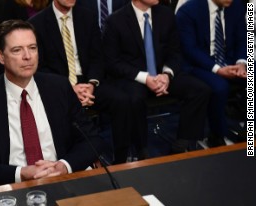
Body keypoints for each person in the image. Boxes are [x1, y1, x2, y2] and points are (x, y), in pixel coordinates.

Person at [0, 19, 104, 187]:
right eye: (17, 50)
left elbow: (92, 139)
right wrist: (20, 173)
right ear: (1, 57)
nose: (27, 56)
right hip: (12, 188)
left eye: (32, 48)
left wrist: (64, 166)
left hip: (62, 180)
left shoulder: (59, 87)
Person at [102, 0, 211, 157]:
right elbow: (112, 62)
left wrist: (167, 74)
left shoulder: (166, 14)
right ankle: (141, 149)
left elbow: (176, 52)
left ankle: (184, 142)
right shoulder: (115, 20)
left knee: (200, 90)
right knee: (133, 99)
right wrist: (145, 78)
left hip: (162, 74)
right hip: (134, 77)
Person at [28, 0, 133, 164]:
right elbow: (40, 67)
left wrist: (91, 84)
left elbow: (97, 57)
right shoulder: (37, 23)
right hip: (58, 85)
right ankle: (74, 162)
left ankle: (121, 160)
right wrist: (69, 88)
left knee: (122, 100)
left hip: (88, 81)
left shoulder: (87, 16)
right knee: (60, 109)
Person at [176, 0, 246, 147]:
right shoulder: (188, 11)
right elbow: (190, 49)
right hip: (200, 64)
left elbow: (243, 38)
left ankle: (250, 129)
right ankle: (217, 135)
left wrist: (241, 63)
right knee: (219, 86)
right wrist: (217, 69)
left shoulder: (237, 6)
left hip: (230, 60)